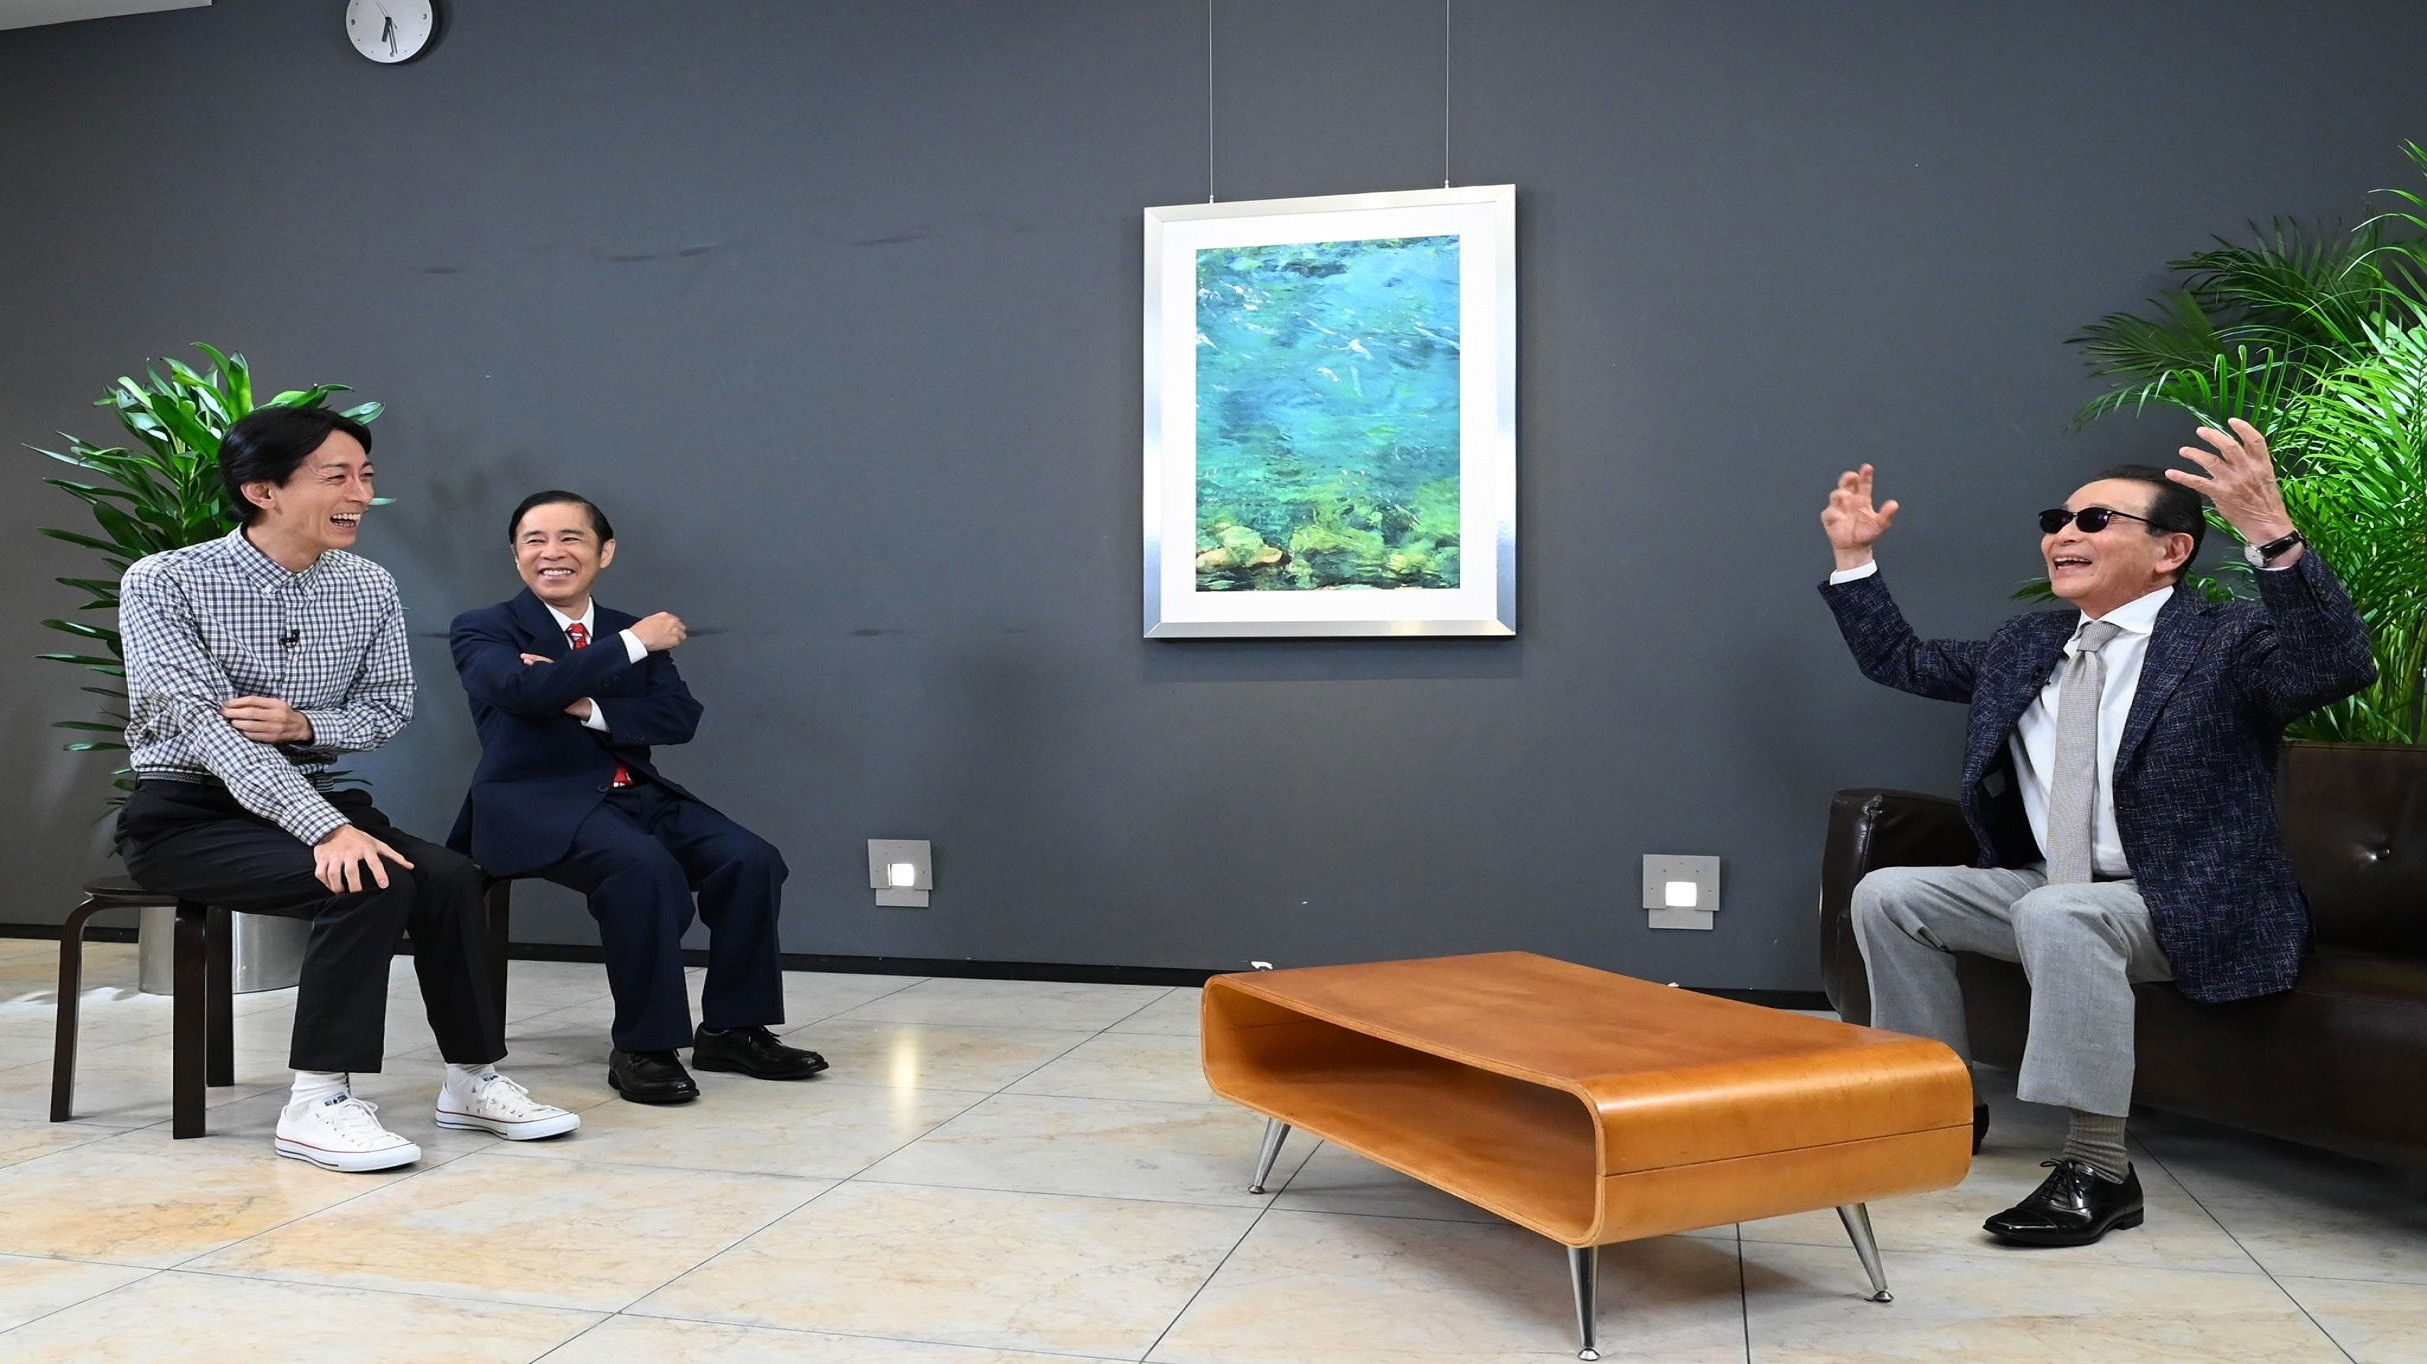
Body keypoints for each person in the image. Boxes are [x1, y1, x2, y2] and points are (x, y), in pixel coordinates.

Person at [1820, 419, 2374, 1246]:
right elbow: (1903, 660)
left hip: (2188, 903)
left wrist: (2269, 532)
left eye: (2093, 520)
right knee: (1890, 896)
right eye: (2056, 521)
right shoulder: (2030, 643)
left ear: (2170, 551)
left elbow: (2334, 665)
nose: (2063, 535)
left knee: (2059, 912)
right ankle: (1934, 1111)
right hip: (2054, 888)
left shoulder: (2223, 641)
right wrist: (1853, 559)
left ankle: (2097, 1167)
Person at [116, 406, 579, 1173]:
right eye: (336, 477)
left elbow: (386, 708)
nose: (360, 494)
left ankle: (470, 1079)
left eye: (365, 475)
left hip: (307, 795)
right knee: (365, 879)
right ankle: (316, 1101)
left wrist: (304, 725)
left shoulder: (367, 585)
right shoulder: (165, 581)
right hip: (186, 815)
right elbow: (206, 730)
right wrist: (325, 830)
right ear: (262, 489)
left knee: (451, 877)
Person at [447, 491, 824, 1104]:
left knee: (751, 859)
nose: (551, 552)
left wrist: (583, 704)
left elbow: (678, 717)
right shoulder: (485, 628)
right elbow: (522, 691)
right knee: (643, 870)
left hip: (635, 793)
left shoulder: (623, 626)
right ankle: (644, 1048)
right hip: (535, 803)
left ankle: (733, 1030)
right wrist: (631, 646)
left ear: (605, 552)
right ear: (516, 555)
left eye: (570, 538)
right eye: (534, 540)